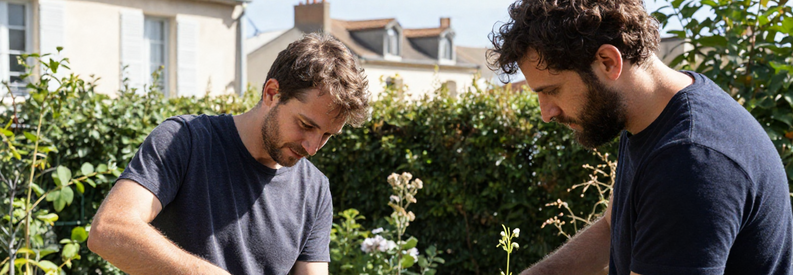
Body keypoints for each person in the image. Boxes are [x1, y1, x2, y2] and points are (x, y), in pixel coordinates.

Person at [488, 0, 793, 274]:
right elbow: (612, 227)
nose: (547, 112)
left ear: (608, 62)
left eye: (552, 90)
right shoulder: (649, 117)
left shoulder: (690, 159)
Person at [88, 33, 370, 275]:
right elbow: (110, 230)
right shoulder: (185, 140)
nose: (312, 147)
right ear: (272, 93)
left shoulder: (315, 189)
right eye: (306, 125)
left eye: (327, 136)